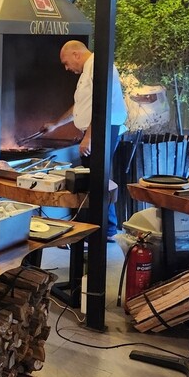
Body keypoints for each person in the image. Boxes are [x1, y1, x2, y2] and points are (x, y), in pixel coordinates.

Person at [42, 40, 127, 241]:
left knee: (96, 180)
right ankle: (104, 229)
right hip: (99, 130)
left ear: (76, 54)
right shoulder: (88, 70)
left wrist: (89, 138)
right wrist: (55, 124)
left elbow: (101, 106)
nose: (66, 68)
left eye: (66, 63)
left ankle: (100, 232)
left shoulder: (98, 67)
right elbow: (80, 107)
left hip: (104, 130)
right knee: (97, 179)